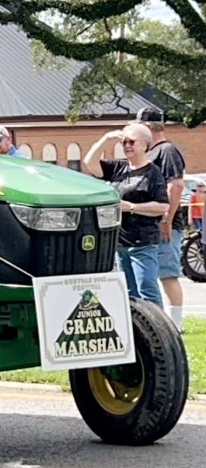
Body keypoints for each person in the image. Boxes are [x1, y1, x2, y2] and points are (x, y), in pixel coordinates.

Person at [83, 123, 169, 307]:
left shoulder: (152, 173)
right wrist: (107, 138)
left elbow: (162, 205)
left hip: (143, 242)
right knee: (129, 292)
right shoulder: (118, 168)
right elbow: (90, 163)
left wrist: (131, 206)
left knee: (147, 287)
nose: (127, 146)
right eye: (124, 142)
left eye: (132, 142)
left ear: (145, 145)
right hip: (120, 242)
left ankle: (159, 330)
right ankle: (135, 330)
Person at [136, 107, 185, 331]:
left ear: (148, 127)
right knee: (154, 275)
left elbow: (175, 186)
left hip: (166, 224)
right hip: (152, 225)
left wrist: (167, 219)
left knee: (168, 274)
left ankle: (176, 324)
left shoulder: (167, 151)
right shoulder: (153, 152)